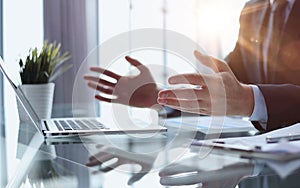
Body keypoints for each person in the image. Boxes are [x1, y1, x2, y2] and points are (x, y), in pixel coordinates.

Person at [84, 0, 300, 132]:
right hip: (259, 173)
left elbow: (243, 96)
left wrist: (251, 101)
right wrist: (162, 97)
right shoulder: (253, 10)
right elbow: (225, 89)